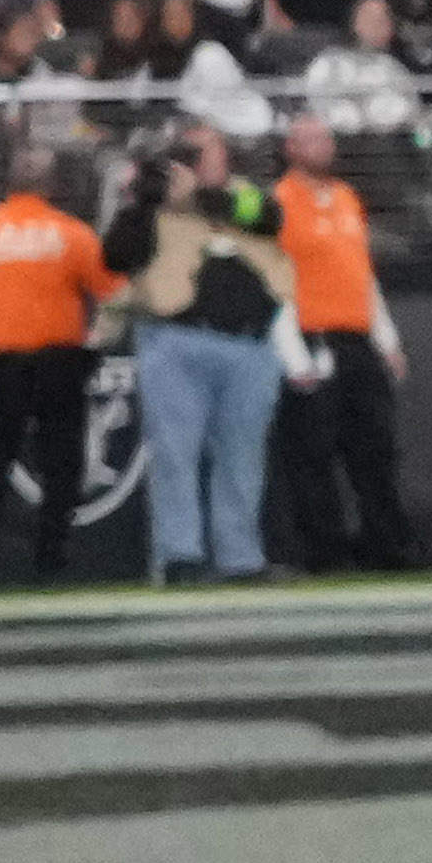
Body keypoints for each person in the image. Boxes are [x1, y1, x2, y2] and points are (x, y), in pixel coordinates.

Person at [125, 156, 290, 585]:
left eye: (204, 153)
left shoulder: (245, 192)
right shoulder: (154, 204)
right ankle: (180, 558)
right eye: (186, 156)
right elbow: (119, 251)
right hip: (178, 339)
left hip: (248, 344)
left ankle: (240, 558)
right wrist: (144, 198)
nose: (195, 163)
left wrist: (195, 197)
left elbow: (270, 217)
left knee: (242, 457)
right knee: (175, 454)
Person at [0, 155, 114, 581]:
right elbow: (110, 289)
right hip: (59, 359)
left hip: (4, 361)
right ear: (53, 185)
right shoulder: (73, 233)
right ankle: (50, 561)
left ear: (8, 181)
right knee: (62, 467)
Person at [267, 115, 408, 570]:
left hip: (357, 338)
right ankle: (324, 554)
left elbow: (363, 273)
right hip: (313, 336)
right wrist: (292, 354)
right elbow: (276, 280)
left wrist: (386, 338)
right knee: (313, 454)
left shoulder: (348, 198)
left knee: (375, 449)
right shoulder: (280, 202)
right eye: (311, 139)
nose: (323, 146)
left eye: (326, 138)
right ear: (291, 147)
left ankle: (385, 547)